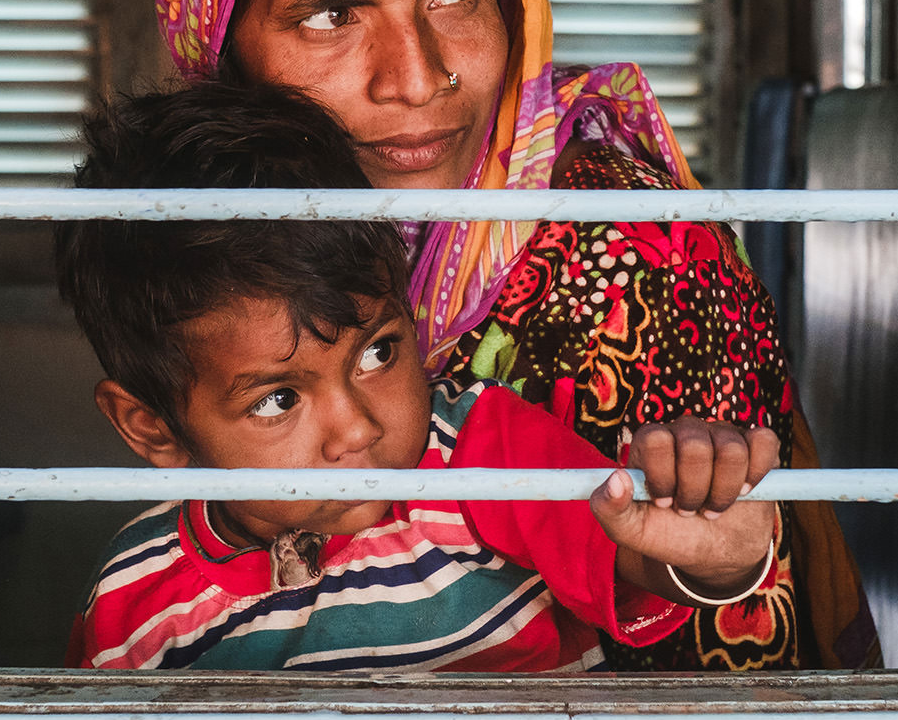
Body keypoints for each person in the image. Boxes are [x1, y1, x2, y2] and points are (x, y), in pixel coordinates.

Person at [152, 0, 878, 671]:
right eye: (332, 15)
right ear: (218, 40)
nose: (417, 80)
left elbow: (721, 667)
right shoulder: (210, 261)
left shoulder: (627, 258)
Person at [57, 81, 782, 672]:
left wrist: (717, 557)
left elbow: (636, 555)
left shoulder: (480, 457)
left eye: (376, 353)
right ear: (152, 425)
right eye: (278, 399)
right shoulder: (132, 605)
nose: (359, 428)